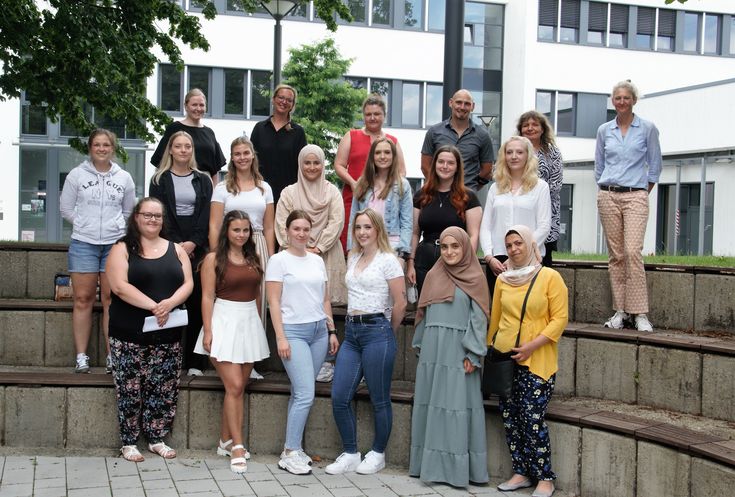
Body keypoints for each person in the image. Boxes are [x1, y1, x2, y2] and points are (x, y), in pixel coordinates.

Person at [106, 197, 194, 462]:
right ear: (136, 217)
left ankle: (156, 438)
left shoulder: (176, 249)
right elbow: (119, 286)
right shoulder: (122, 248)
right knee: (130, 389)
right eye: (147, 215)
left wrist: (169, 304)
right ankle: (129, 442)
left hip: (167, 334)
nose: (153, 219)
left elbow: (188, 283)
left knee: (163, 388)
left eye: (158, 216)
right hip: (128, 334)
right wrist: (155, 306)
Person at [488, 225, 568, 497]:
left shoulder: (549, 277)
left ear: (530, 244)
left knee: (532, 418)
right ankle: (521, 472)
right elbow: (496, 319)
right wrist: (491, 351)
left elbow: (559, 320)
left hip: (537, 360)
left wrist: (531, 346)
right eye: (509, 245)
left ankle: (545, 477)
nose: (513, 249)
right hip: (506, 359)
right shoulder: (503, 280)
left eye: (518, 243)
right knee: (510, 418)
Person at [326, 209, 406, 476]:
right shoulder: (353, 256)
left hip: (377, 331)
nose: (362, 232)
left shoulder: (388, 260)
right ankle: (350, 453)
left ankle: (378, 453)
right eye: (358, 227)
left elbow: (401, 303)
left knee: (379, 398)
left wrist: (387, 331)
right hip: (351, 333)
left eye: (368, 227)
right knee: (339, 395)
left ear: (378, 230)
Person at [409, 227, 490, 488]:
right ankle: (428, 467)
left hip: (459, 351)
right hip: (433, 352)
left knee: (456, 410)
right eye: (444, 247)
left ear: (465, 247)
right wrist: (420, 344)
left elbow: (479, 319)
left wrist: (474, 353)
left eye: (455, 246)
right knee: (432, 407)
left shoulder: (475, 277)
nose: (450, 252)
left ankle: (458, 472)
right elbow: (423, 312)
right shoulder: (434, 274)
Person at [193, 210, 270, 473]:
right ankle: (238, 446)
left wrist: (258, 325)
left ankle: (224, 440)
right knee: (235, 385)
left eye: (246, 230)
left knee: (238, 388)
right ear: (227, 231)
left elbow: (258, 294)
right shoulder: (213, 259)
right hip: (223, 321)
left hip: (249, 324)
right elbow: (206, 297)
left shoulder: (253, 257)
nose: (241, 234)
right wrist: (208, 330)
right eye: (236, 229)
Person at [266, 210, 339, 475]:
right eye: (296, 228)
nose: (301, 233)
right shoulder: (278, 260)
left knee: (301, 392)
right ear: (287, 231)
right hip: (293, 333)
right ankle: (288, 452)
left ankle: (295, 447)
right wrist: (281, 337)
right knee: (307, 393)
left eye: (306, 229)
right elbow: (273, 301)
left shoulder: (317, 261)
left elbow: (325, 300)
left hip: (319, 331)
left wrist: (331, 330)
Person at [60, 129, 136, 374]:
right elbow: (66, 209)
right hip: (84, 243)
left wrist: (116, 229)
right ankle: (81, 355)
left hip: (113, 245)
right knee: (82, 299)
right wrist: (84, 224)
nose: (101, 148)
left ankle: (112, 355)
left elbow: (128, 212)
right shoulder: (76, 175)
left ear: (113, 148)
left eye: (106, 145)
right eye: (97, 145)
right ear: (90, 148)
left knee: (110, 301)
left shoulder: (124, 177)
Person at [595, 80, 662, 333]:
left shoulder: (647, 128)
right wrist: (605, 190)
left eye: (626, 98)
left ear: (634, 100)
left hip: (636, 195)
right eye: (617, 98)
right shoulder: (604, 130)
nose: (621, 102)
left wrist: (642, 192)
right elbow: (599, 166)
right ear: (613, 101)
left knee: (632, 251)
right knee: (616, 256)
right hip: (608, 195)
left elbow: (655, 165)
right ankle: (621, 311)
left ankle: (640, 312)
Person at [149, 130, 213, 377]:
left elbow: (206, 214)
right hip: (167, 245)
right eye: (179, 146)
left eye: (188, 146)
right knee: (171, 301)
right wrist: (176, 245)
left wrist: (193, 243)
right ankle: (170, 360)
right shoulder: (159, 180)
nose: (184, 150)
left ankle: (195, 361)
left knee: (197, 302)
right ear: (171, 150)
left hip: (197, 246)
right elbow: (158, 215)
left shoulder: (203, 179)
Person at [209, 137, 275, 326]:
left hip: (257, 244)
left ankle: (254, 352)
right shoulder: (222, 188)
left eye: (246, 153)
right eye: (237, 154)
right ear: (232, 158)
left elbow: (269, 227)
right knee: (230, 297)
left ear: (253, 155)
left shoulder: (265, 188)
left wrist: (271, 258)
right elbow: (214, 225)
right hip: (230, 245)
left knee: (258, 302)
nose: (242, 157)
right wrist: (215, 255)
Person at [275, 144, 347, 305]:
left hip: (326, 254)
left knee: (325, 303)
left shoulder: (332, 192)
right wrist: (300, 250)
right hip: (293, 256)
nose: (312, 167)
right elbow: (281, 225)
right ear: (300, 164)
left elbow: (337, 222)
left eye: (317, 163)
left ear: (323, 164)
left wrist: (318, 248)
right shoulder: (288, 193)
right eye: (307, 163)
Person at [407, 145, 482, 295]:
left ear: (457, 167)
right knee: (425, 308)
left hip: (455, 260)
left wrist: (465, 263)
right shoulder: (421, 195)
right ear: (434, 164)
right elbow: (415, 233)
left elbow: (473, 235)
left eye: (450, 163)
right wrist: (410, 263)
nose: (445, 166)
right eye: (441, 162)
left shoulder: (469, 197)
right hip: (424, 261)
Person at [335, 94, 406, 251]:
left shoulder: (392, 141)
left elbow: (401, 172)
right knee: (353, 242)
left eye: (377, 114)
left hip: (384, 201)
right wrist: (354, 184)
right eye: (368, 114)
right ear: (363, 116)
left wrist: (387, 190)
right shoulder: (351, 136)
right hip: (354, 198)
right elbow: (339, 165)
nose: (372, 118)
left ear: (384, 116)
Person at [480, 136, 551, 295]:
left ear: (528, 156)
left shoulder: (540, 187)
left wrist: (520, 253)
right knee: (500, 310)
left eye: (519, 152)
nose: (514, 156)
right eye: (509, 152)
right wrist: (489, 257)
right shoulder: (495, 188)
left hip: (528, 260)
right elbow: (485, 226)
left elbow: (544, 226)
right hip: (498, 262)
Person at [348, 137, 413, 261]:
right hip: (364, 246)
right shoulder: (362, 183)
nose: (382, 156)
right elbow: (353, 219)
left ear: (394, 156)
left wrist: (401, 254)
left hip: (392, 246)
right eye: (378, 152)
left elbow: (407, 222)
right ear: (372, 156)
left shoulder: (402, 185)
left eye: (387, 152)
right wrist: (352, 250)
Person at [421, 89, 494, 191]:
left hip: (467, 197)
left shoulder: (483, 136)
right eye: (459, 102)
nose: (462, 107)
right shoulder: (434, 132)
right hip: (438, 195)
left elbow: (487, 170)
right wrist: (437, 187)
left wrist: (471, 188)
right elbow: (425, 166)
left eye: (467, 104)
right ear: (451, 103)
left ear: (473, 107)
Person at [517, 111, 563, 266]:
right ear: (520, 129)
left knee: (543, 260)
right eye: (526, 125)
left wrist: (535, 198)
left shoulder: (553, 152)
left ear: (543, 129)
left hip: (546, 211)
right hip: (519, 209)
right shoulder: (514, 150)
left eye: (535, 125)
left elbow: (556, 185)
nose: (530, 128)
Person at [151, 88, 226, 183]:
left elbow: (215, 170)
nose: (198, 109)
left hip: (206, 185)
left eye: (201, 105)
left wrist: (215, 193)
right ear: (186, 106)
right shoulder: (174, 129)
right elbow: (161, 162)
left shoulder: (209, 133)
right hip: (178, 181)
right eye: (194, 105)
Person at [251, 84, 308, 206]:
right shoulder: (259, 128)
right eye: (281, 97)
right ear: (273, 99)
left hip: (288, 195)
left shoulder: (298, 132)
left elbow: (302, 166)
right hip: (260, 192)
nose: (284, 102)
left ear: (292, 105)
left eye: (289, 100)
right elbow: (251, 161)